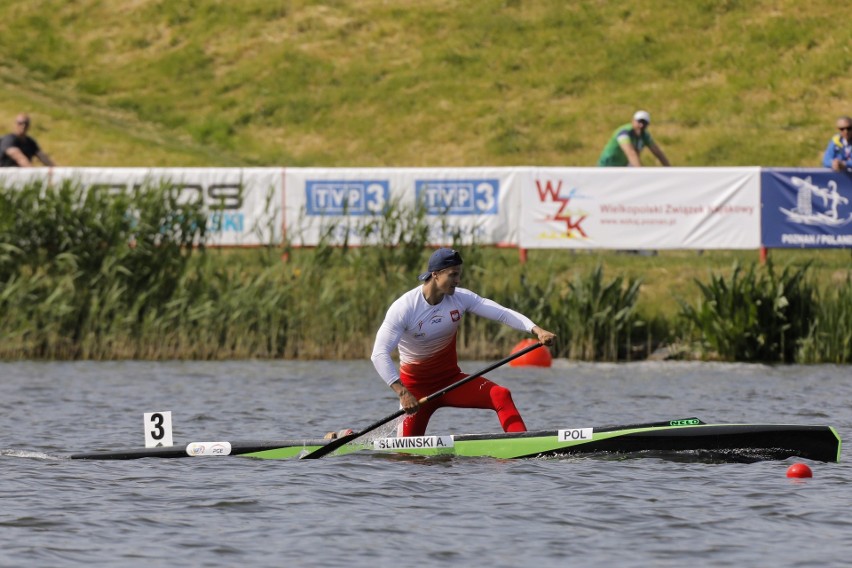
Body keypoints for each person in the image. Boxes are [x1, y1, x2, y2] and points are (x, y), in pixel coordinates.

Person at [371, 248, 556, 437]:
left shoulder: (460, 298)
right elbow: (378, 354)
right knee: (406, 456)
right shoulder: (405, 308)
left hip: (451, 381)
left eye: (459, 274)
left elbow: (502, 313)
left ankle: (521, 445)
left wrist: (537, 330)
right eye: (453, 275)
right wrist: (402, 393)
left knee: (501, 395)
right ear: (435, 274)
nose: (458, 280)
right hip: (416, 392)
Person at [597, 110, 671, 167]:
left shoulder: (645, 135)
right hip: (607, 167)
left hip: (622, 166)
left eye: (644, 123)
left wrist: (669, 169)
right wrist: (641, 173)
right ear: (633, 121)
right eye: (639, 121)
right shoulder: (624, 133)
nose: (641, 125)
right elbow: (631, 153)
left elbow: (658, 152)